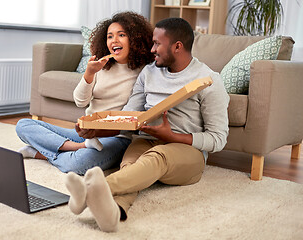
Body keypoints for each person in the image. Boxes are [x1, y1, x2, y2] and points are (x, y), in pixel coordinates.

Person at [65, 18, 230, 232]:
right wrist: (96, 130)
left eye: (157, 44)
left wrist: (172, 137)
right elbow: (128, 117)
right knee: (132, 169)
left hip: (187, 151)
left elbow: (218, 139)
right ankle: (112, 214)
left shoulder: (208, 80)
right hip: (146, 140)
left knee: (156, 158)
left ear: (177, 46)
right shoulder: (149, 72)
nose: (152, 50)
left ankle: (91, 190)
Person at [15, 11, 154, 175]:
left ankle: (39, 152)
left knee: (78, 164)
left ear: (135, 39)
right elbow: (80, 102)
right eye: (109, 36)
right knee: (23, 125)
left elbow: (130, 119)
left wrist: (99, 132)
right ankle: (78, 147)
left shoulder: (144, 72)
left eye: (121, 35)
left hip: (117, 138)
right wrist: (89, 73)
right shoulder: (102, 66)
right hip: (86, 133)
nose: (114, 40)